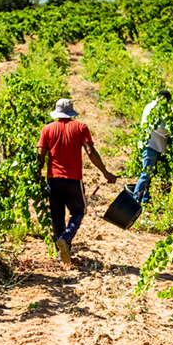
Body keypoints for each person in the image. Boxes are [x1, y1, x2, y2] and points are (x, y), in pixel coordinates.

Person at [37, 98, 117, 265]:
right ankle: (65, 239)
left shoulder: (47, 129)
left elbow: (40, 156)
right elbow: (90, 151)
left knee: (57, 217)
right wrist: (105, 172)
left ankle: (61, 254)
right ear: (71, 112)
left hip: (53, 180)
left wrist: (37, 175)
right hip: (73, 180)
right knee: (78, 212)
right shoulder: (81, 127)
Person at [133, 89, 171, 204]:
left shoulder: (151, 106)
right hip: (151, 146)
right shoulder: (153, 108)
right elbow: (158, 127)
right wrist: (169, 133)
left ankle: (145, 200)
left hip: (154, 145)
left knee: (150, 175)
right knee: (146, 174)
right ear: (163, 98)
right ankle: (135, 200)